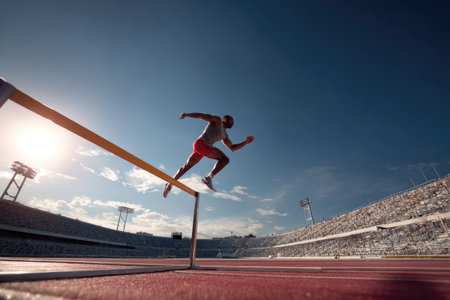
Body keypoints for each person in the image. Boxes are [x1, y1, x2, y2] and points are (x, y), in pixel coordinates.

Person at [163, 112, 254, 197]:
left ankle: (170, 183)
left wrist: (245, 142)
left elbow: (232, 148)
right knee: (224, 159)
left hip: (201, 148)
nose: (233, 122)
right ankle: (208, 178)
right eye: (231, 120)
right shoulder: (218, 121)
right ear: (225, 119)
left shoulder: (225, 135)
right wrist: (186, 115)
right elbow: (201, 116)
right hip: (201, 143)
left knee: (187, 167)